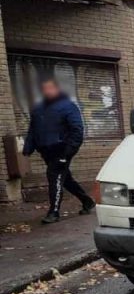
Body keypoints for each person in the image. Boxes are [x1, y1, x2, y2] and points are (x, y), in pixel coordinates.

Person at [22, 77, 95, 224]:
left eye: (51, 88)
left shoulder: (68, 106)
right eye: (45, 88)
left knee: (54, 177)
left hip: (61, 150)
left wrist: (68, 152)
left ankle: (53, 212)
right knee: (65, 180)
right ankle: (87, 201)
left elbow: (77, 130)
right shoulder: (38, 108)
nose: (47, 91)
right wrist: (28, 147)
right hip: (46, 151)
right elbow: (33, 129)